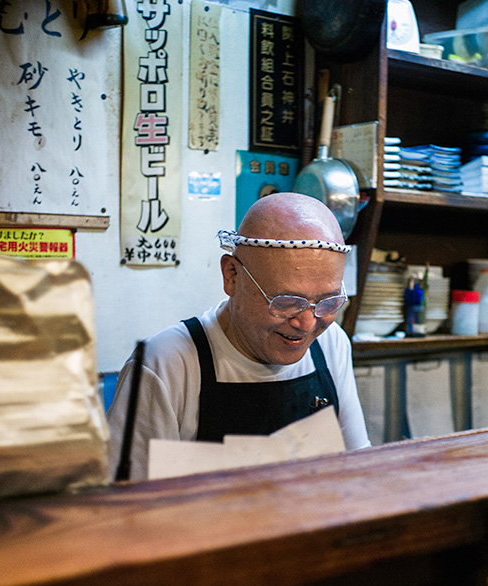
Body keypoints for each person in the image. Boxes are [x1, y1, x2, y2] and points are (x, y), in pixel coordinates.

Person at [107, 193, 371, 480]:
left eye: (327, 303)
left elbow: (357, 469)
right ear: (231, 275)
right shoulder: (166, 366)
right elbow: (122, 509)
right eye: (285, 301)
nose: (307, 324)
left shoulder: (331, 345)